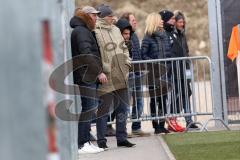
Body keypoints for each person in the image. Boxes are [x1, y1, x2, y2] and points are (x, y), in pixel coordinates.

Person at [95, 4, 136, 149]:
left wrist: (127, 63)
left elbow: (124, 48)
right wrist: (103, 69)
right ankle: (101, 140)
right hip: (106, 77)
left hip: (121, 75)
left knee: (123, 108)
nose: (113, 18)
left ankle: (122, 137)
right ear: (104, 17)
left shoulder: (116, 30)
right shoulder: (96, 31)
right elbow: (96, 54)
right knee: (103, 110)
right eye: (110, 16)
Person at [70, 6, 108, 154]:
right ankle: (82, 144)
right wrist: (98, 72)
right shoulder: (81, 31)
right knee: (88, 110)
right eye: (93, 15)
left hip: (87, 76)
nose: (96, 18)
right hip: (86, 76)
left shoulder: (83, 30)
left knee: (89, 109)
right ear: (86, 16)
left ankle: (85, 141)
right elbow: (86, 54)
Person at [141, 12, 172, 134]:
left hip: (165, 74)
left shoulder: (164, 35)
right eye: (160, 19)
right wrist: (154, 63)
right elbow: (144, 55)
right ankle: (156, 126)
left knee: (164, 100)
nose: (162, 21)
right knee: (154, 100)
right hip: (153, 74)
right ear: (154, 21)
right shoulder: (147, 37)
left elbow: (168, 53)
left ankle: (162, 124)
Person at [121, 12, 149, 136]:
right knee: (126, 103)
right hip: (128, 74)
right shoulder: (123, 37)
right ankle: (123, 130)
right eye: (133, 20)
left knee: (139, 101)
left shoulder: (135, 36)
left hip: (138, 73)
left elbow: (138, 54)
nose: (135, 22)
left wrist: (142, 67)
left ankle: (136, 127)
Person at [159, 10, 186, 132]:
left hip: (179, 70)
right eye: (172, 19)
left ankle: (173, 118)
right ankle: (170, 120)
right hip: (170, 72)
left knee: (184, 93)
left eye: (175, 19)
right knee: (171, 97)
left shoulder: (174, 33)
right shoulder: (164, 34)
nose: (174, 21)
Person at [174, 10, 198, 129]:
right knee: (177, 94)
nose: (182, 24)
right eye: (179, 22)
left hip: (184, 69)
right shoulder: (173, 35)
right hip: (175, 70)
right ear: (175, 23)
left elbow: (186, 51)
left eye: (183, 22)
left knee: (187, 92)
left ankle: (188, 119)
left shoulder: (183, 35)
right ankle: (174, 117)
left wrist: (187, 64)